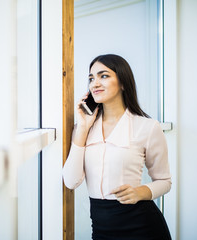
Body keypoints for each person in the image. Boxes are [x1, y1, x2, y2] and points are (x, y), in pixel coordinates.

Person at [62, 54, 172, 240]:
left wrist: (140, 192)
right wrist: (82, 127)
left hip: (143, 226)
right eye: (91, 78)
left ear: (122, 82)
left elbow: (165, 181)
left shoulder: (147, 127)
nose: (94, 83)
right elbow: (71, 181)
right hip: (101, 229)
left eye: (103, 76)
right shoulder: (83, 128)